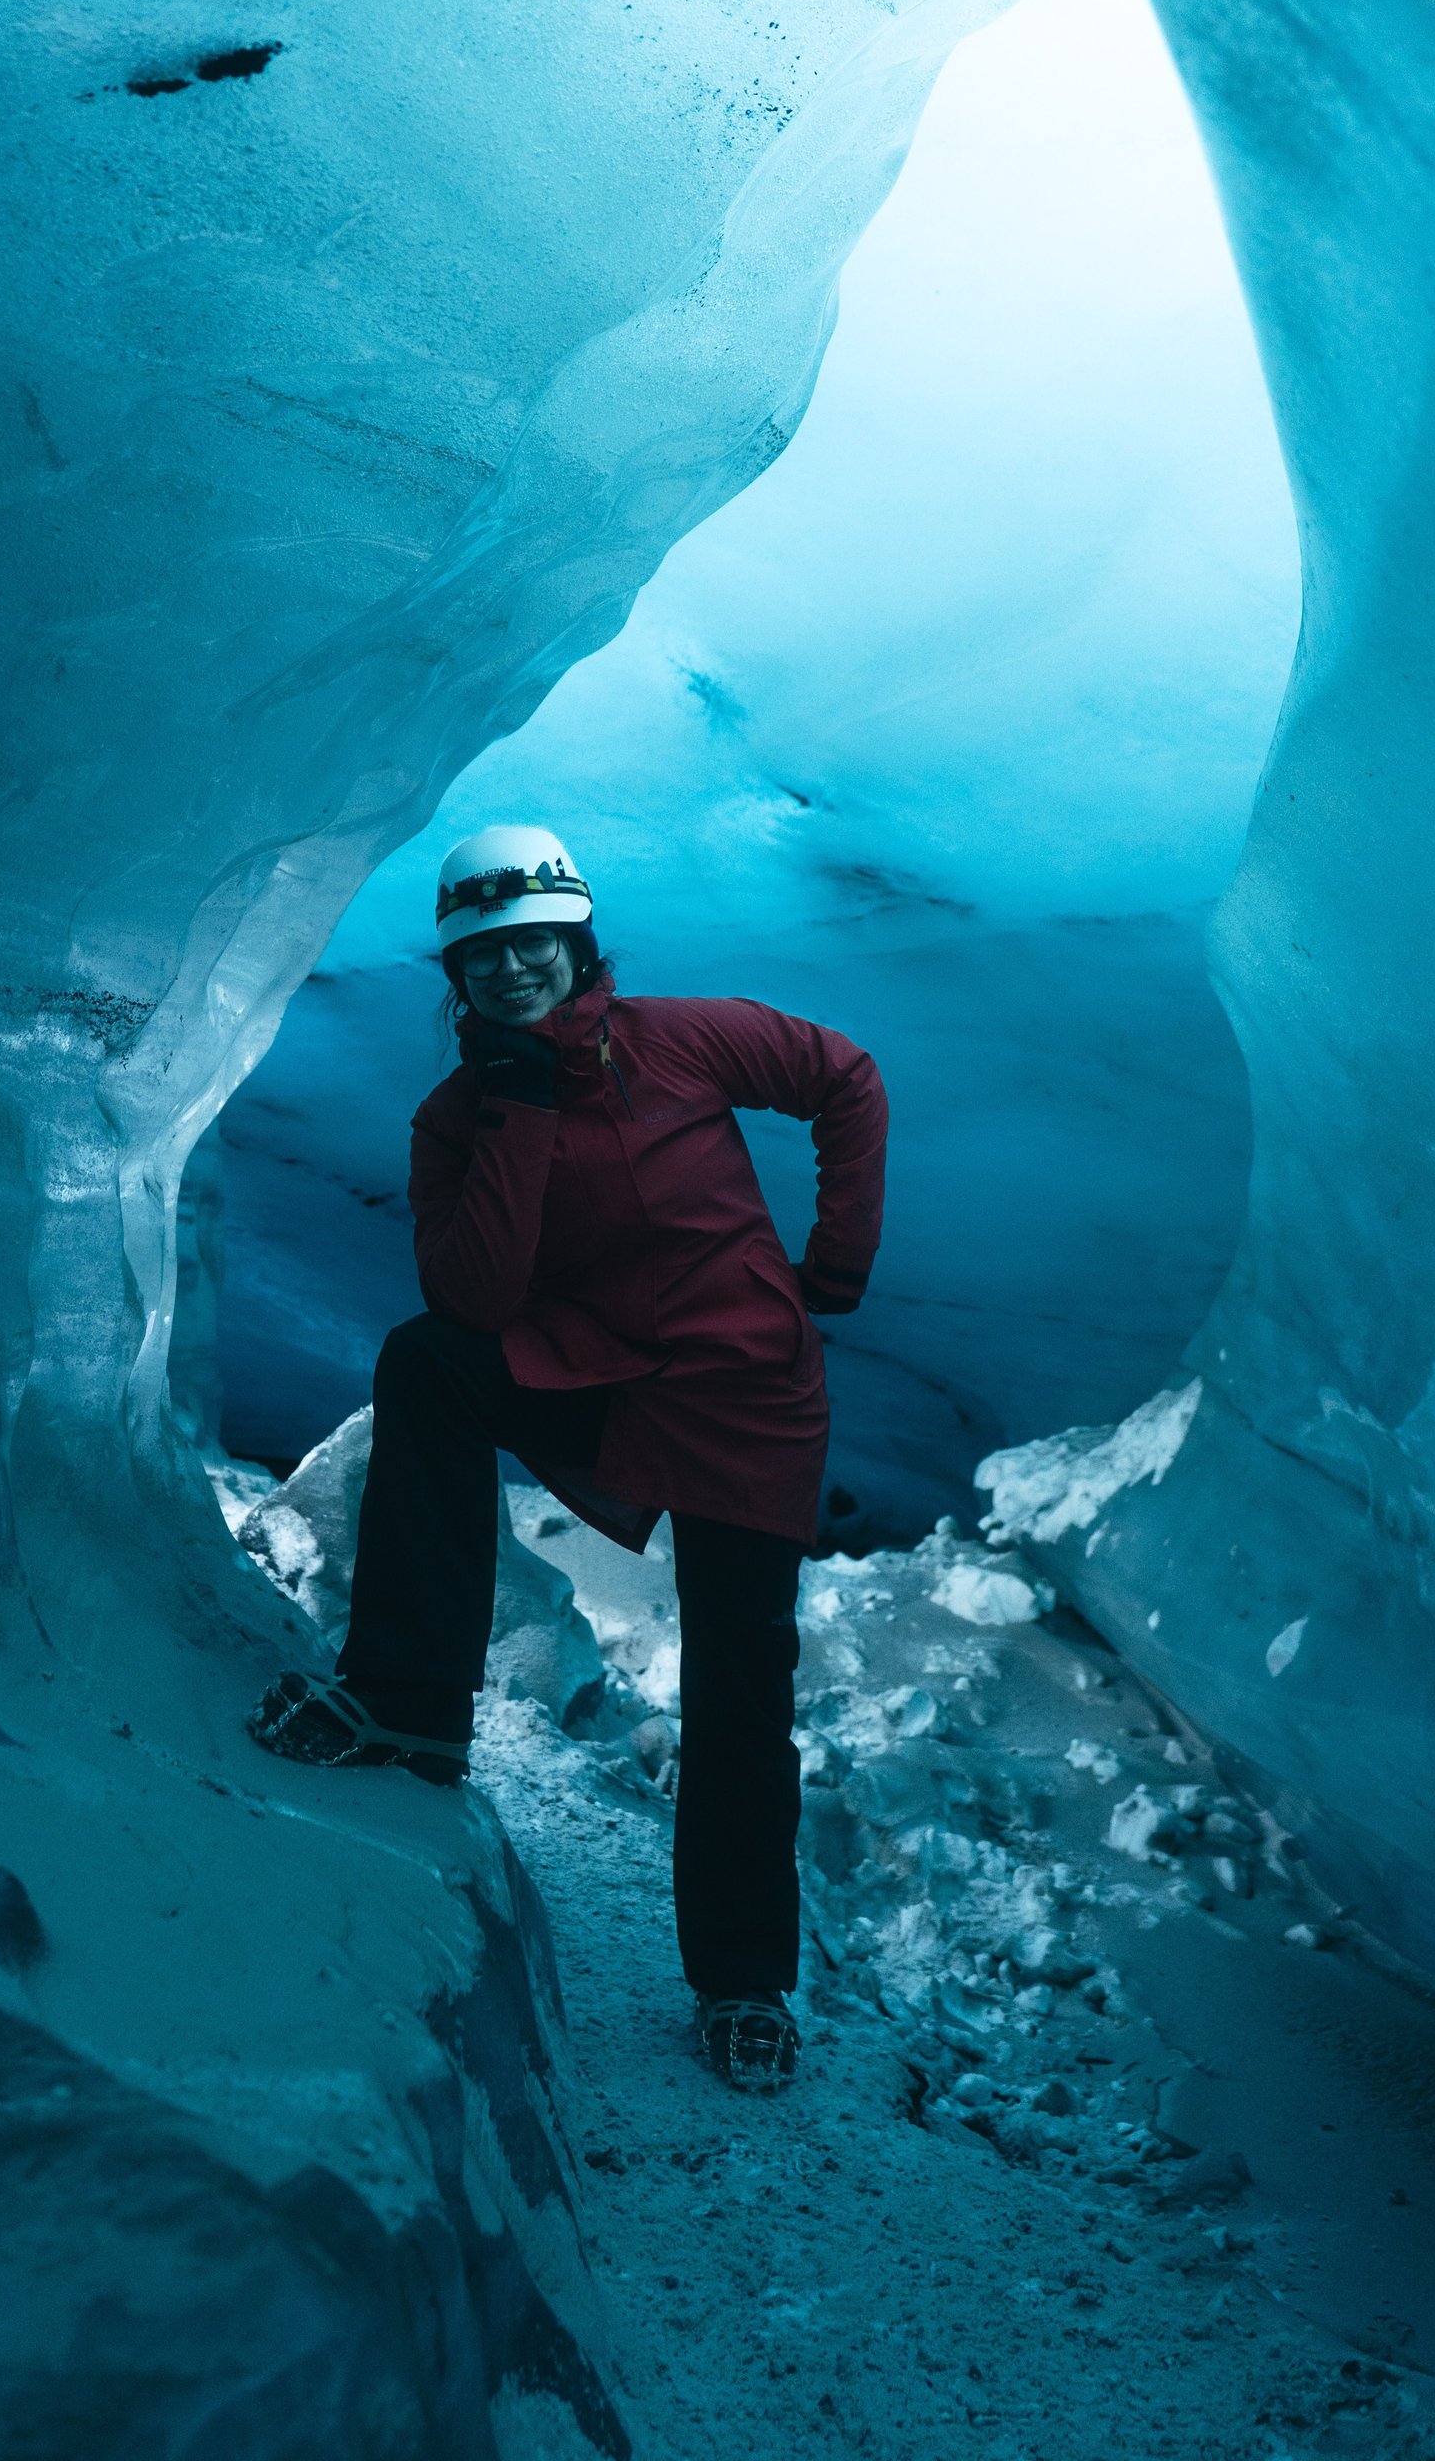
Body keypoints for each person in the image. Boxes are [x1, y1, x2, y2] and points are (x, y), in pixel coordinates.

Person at [249, 824, 887, 2091]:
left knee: (742, 1689)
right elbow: (475, 1295)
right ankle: (410, 1708)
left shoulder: (684, 1038)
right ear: (458, 976)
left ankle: (743, 1982)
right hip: (593, 1384)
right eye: (482, 955)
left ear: (576, 940)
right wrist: (524, 1106)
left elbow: (847, 1078)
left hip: (747, 1406)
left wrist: (836, 1270)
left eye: (533, 942)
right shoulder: (459, 1118)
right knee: (432, 1359)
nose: (512, 969)